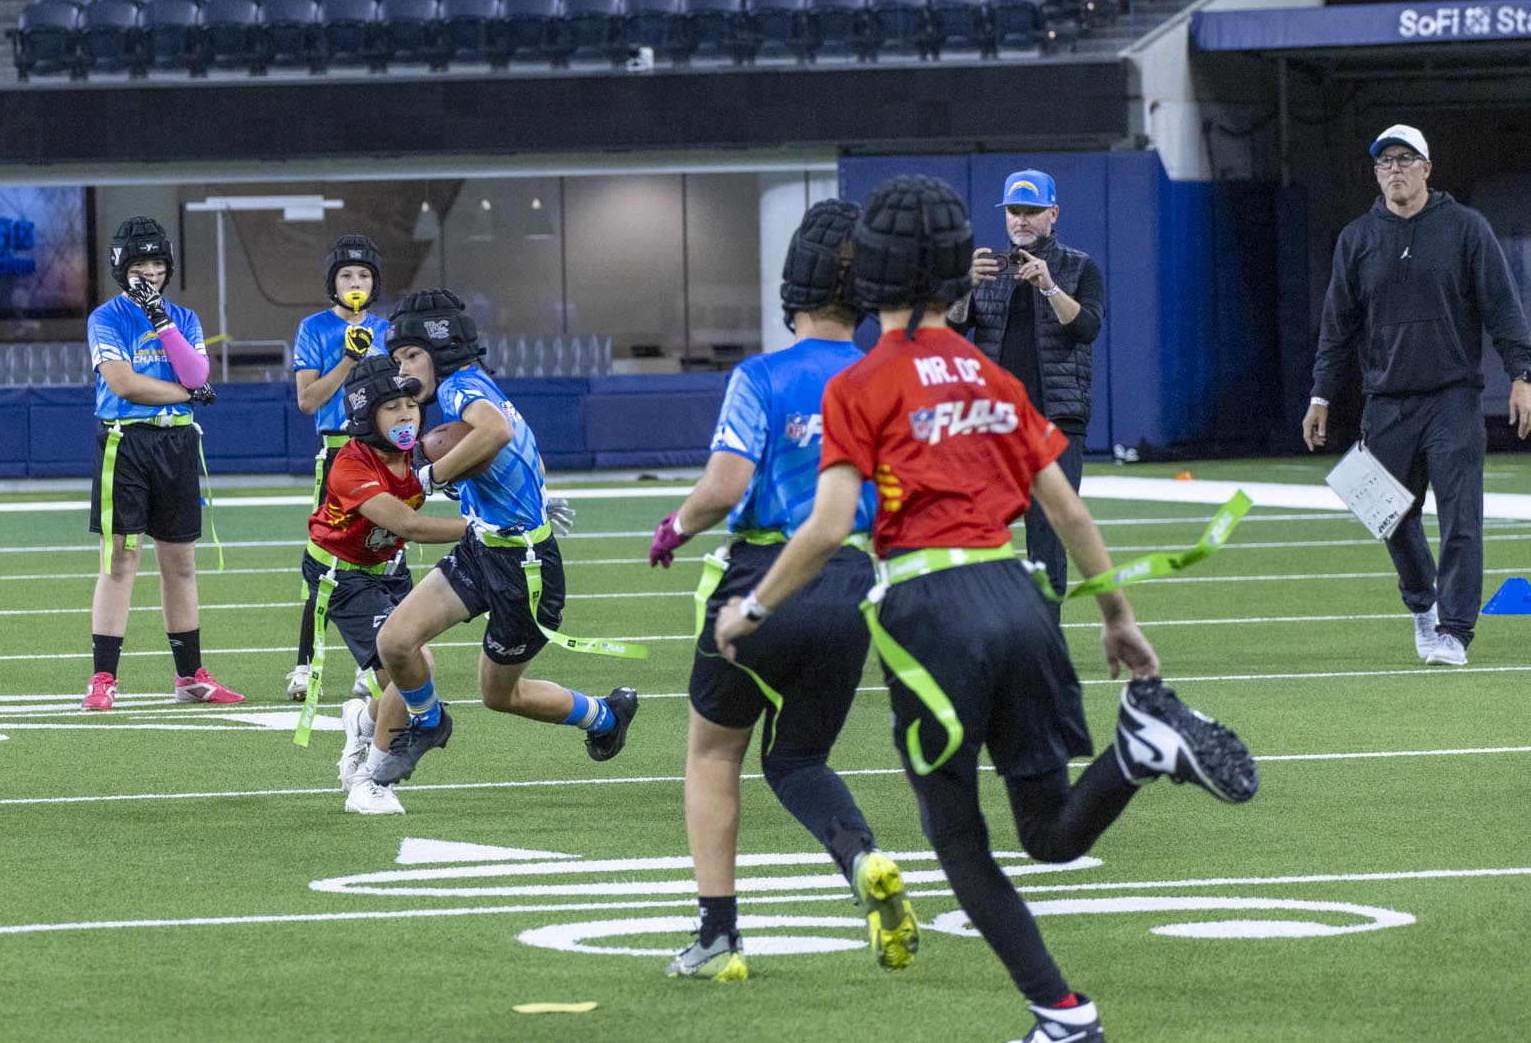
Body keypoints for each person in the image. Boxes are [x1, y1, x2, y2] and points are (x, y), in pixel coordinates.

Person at [718, 175, 1257, 1043]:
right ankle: (1138, 751)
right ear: (948, 273)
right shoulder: (989, 376)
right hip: (1020, 597)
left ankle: (1063, 1014)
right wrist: (1118, 616)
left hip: (934, 613)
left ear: (871, 279)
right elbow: (1068, 511)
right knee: (1047, 833)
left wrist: (750, 607)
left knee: (958, 837)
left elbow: (825, 526)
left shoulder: (860, 383)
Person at [648, 199, 917, 983]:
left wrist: (675, 527)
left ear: (791, 286)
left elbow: (723, 487)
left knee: (712, 754)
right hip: (853, 588)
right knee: (798, 757)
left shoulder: (761, 377)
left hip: (762, 580)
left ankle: (718, 936)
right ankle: (862, 858)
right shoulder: (884, 380)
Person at [357, 289, 629, 787]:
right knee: (395, 641)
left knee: (500, 695)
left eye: (412, 355)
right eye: (398, 360)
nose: (404, 370)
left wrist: (435, 475)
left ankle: (605, 716)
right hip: (483, 547)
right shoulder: (474, 384)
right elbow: (527, 450)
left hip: (523, 568)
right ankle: (429, 723)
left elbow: (498, 431)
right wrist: (528, 495)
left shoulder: (460, 388)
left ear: (442, 349)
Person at [1304, 124, 1531, 668]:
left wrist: (1522, 375)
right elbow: (1337, 326)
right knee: (1385, 512)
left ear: (1427, 168)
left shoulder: (1466, 228)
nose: (1395, 169)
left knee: (1461, 519)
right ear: (1375, 173)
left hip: (1453, 397)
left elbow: (1503, 307)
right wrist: (1321, 395)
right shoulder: (1357, 238)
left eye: (1406, 159)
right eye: (1385, 161)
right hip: (1385, 400)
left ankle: (1454, 632)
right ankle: (1423, 602)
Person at [81, 216, 244, 709]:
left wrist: (162, 321)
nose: (150, 273)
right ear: (121, 269)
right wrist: (187, 394)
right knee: (119, 560)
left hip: (176, 443)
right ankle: (103, 678)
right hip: (125, 442)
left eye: (157, 264)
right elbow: (124, 382)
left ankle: (190, 676)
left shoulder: (184, 318)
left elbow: (197, 370)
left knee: (181, 563)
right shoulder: (106, 318)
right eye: (140, 266)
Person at [305, 354, 470, 815]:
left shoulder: (421, 450)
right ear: (365, 416)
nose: (406, 416)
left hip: (391, 567)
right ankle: (370, 781)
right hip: (344, 575)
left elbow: (482, 459)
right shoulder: (351, 465)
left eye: (411, 406)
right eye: (392, 407)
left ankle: (364, 721)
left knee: (401, 676)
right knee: (413, 665)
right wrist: (481, 528)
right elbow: (408, 525)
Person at [948, 169, 1104, 606]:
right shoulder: (987, 269)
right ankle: (982, 628)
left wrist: (1049, 286)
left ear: (1053, 214)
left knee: (1049, 535)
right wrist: (963, 288)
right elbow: (949, 331)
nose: (1021, 220)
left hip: (1056, 419)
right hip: (992, 423)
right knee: (976, 528)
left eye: (1032, 211)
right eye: (1014, 211)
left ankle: (1045, 632)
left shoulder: (1079, 266)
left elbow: (1086, 328)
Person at [284, 234, 391, 701]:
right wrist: (350, 358)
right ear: (333, 282)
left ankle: (375, 665)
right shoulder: (313, 328)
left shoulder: (389, 329)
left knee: (385, 559)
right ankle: (305, 666)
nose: (355, 282)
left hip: (385, 456)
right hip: (338, 455)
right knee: (326, 561)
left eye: (364, 275)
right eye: (346, 275)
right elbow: (308, 401)